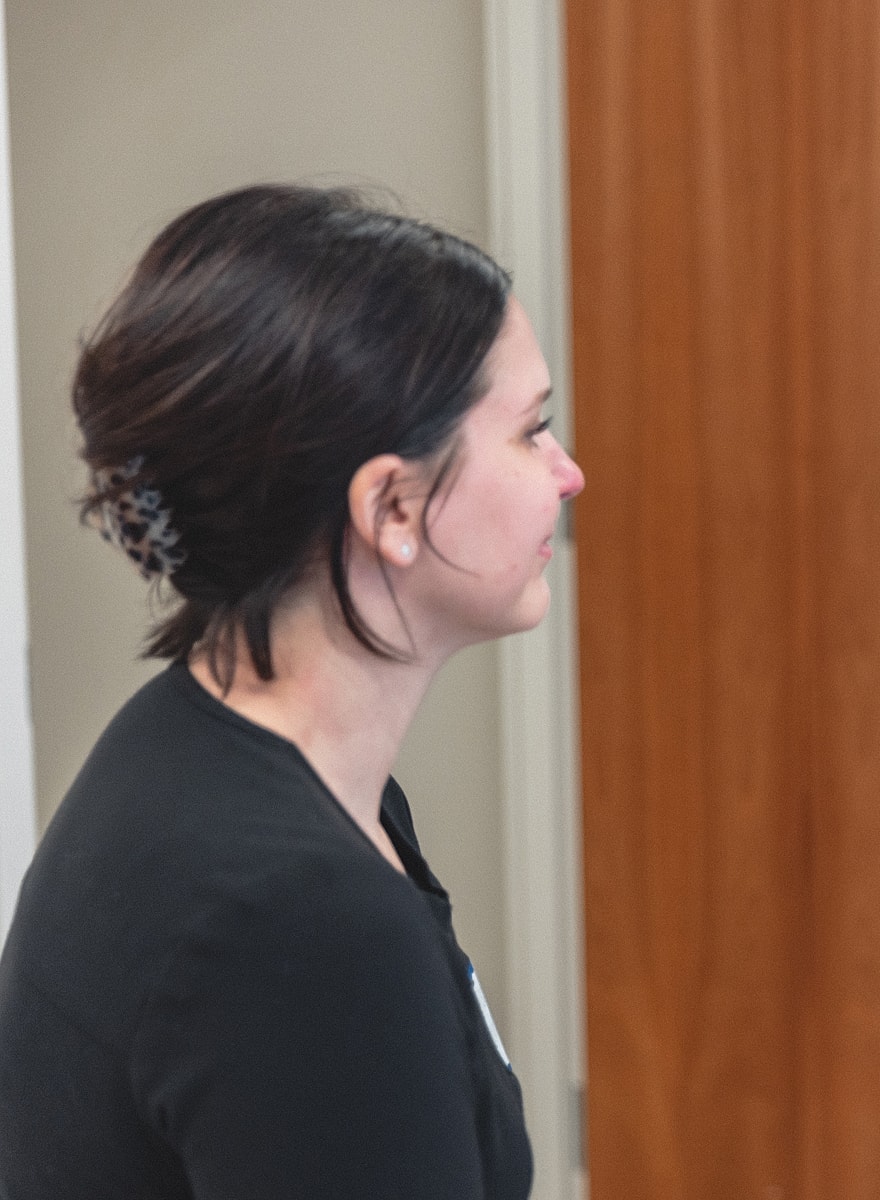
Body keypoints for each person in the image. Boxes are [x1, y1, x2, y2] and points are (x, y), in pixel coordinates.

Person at [0, 185, 583, 1197]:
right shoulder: (301, 928)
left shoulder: (191, 742)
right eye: (532, 431)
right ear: (392, 506)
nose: (567, 474)